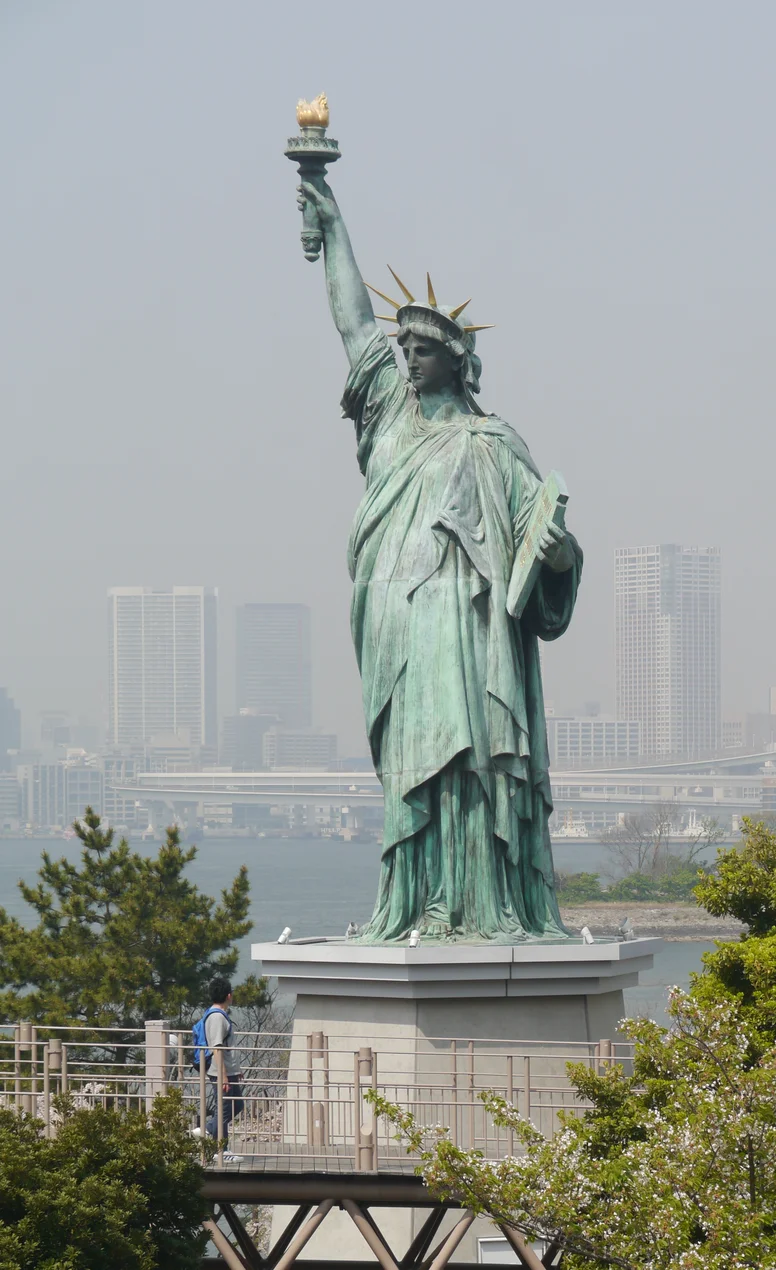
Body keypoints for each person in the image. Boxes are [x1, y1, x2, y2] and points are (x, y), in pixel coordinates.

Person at [294, 174, 582, 942]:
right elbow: (354, 325)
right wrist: (333, 225)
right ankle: (417, 901)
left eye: (424, 350)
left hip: (469, 627)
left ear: (458, 362)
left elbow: (544, 544)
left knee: (473, 761)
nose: (408, 359)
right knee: (412, 767)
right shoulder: (389, 420)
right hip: (398, 625)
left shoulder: (495, 445)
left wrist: (555, 558)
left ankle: (481, 905)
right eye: (406, 349)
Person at [193, 978, 243, 1159]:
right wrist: (223, 1076)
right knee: (226, 1110)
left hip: (228, 1072)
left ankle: (211, 1138)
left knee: (235, 1106)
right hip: (220, 1073)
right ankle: (220, 1150)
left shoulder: (217, 1015)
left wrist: (236, 1070)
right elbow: (217, 1048)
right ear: (228, 996)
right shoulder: (216, 1017)